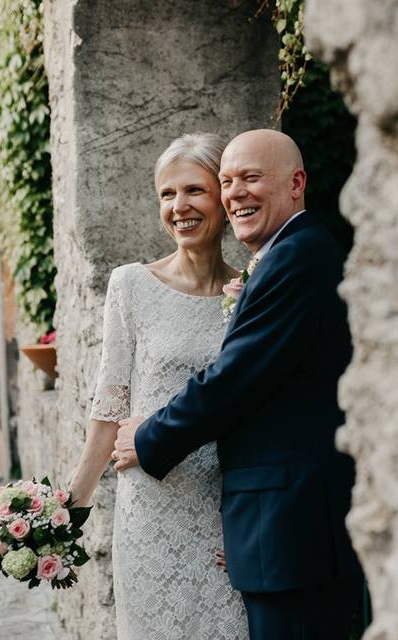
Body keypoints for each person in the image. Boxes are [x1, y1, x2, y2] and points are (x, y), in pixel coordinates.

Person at [113, 129, 365, 640]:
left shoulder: (298, 256)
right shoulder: (281, 255)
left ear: (297, 183)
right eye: (227, 181)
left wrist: (147, 437)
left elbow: (233, 380)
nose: (236, 193)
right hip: (272, 523)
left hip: (291, 528)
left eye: (251, 178)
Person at [68, 133, 247, 639]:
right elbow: (110, 404)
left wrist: (251, 525)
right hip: (150, 513)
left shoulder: (251, 290)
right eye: (167, 195)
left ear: (223, 195)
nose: (179, 207)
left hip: (221, 514)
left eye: (194, 190)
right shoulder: (130, 286)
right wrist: (69, 504)